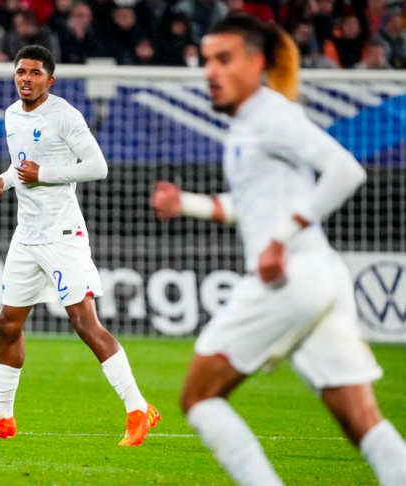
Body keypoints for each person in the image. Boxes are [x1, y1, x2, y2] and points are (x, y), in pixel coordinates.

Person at [151, 13, 406, 486]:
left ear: (256, 63)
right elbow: (249, 207)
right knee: (361, 421)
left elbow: (346, 171)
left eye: (223, 60)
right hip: (319, 280)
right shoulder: (250, 124)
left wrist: (280, 238)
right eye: (206, 60)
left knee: (199, 397)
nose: (211, 71)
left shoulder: (273, 116)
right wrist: (183, 202)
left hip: (290, 278)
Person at [0, 45, 159, 447]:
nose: (26, 79)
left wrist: (44, 173)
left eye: (35, 73)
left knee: (86, 324)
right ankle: (2, 418)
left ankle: (140, 409)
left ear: (50, 80)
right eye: (21, 71)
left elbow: (97, 167)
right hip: (26, 236)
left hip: (63, 236)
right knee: (7, 324)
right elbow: (24, 166)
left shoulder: (66, 116)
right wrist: (5, 180)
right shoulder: (12, 115)